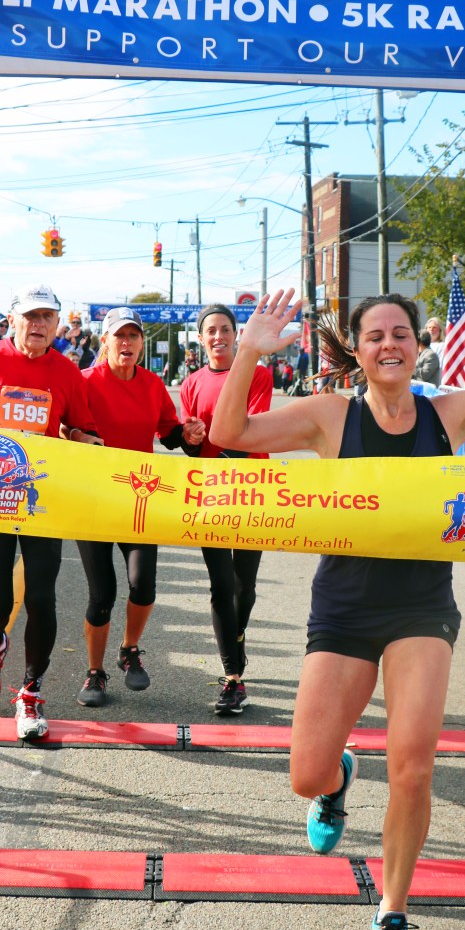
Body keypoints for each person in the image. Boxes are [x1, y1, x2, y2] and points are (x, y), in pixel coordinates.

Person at [210, 284, 465, 930]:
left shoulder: (449, 413)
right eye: (374, 335)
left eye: (401, 332)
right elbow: (232, 436)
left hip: (421, 610)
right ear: (357, 348)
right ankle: (338, 777)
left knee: (413, 766)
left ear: (417, 343)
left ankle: (392, 911)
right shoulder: (327, 418)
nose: (390, 345)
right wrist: (250, 352)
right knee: (304, 774)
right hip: (344, 610)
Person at [0, 283, 103, 739]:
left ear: (57, 325)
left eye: (48, 317)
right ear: (13, 321)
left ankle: (30, 693)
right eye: (31, 317)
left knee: (42, 599)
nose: (40, 325)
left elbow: (80, 428)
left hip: (39, 498)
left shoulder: (67, 371)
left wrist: (88, 442)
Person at [71, 307, 205, 707]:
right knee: (102, 594)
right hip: (94, 499)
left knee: (143, 586)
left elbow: (170, 434)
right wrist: (79, 435)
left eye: (133, 336)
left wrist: (190, 434)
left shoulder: (151, 384)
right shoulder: (84, 382)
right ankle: (94, 672)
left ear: (141, 344)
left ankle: (129, 650)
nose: (126, 343)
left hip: (139, 499)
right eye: (119, 336)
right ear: (105, 341)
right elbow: (64, 427)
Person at [179, 303, 273, 714]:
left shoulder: (259, 374)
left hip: (252, 492)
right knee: (221, 587)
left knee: (244, 589)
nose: (218, 337)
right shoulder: (190, 383)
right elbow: (190, 444)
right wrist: (192, 437)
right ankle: (233, 678)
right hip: (211, 497)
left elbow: (249, 431)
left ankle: (236, 643)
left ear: (237, 335)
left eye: (224, 330)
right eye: (210, 331)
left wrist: (214, 447)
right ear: (201, 340)